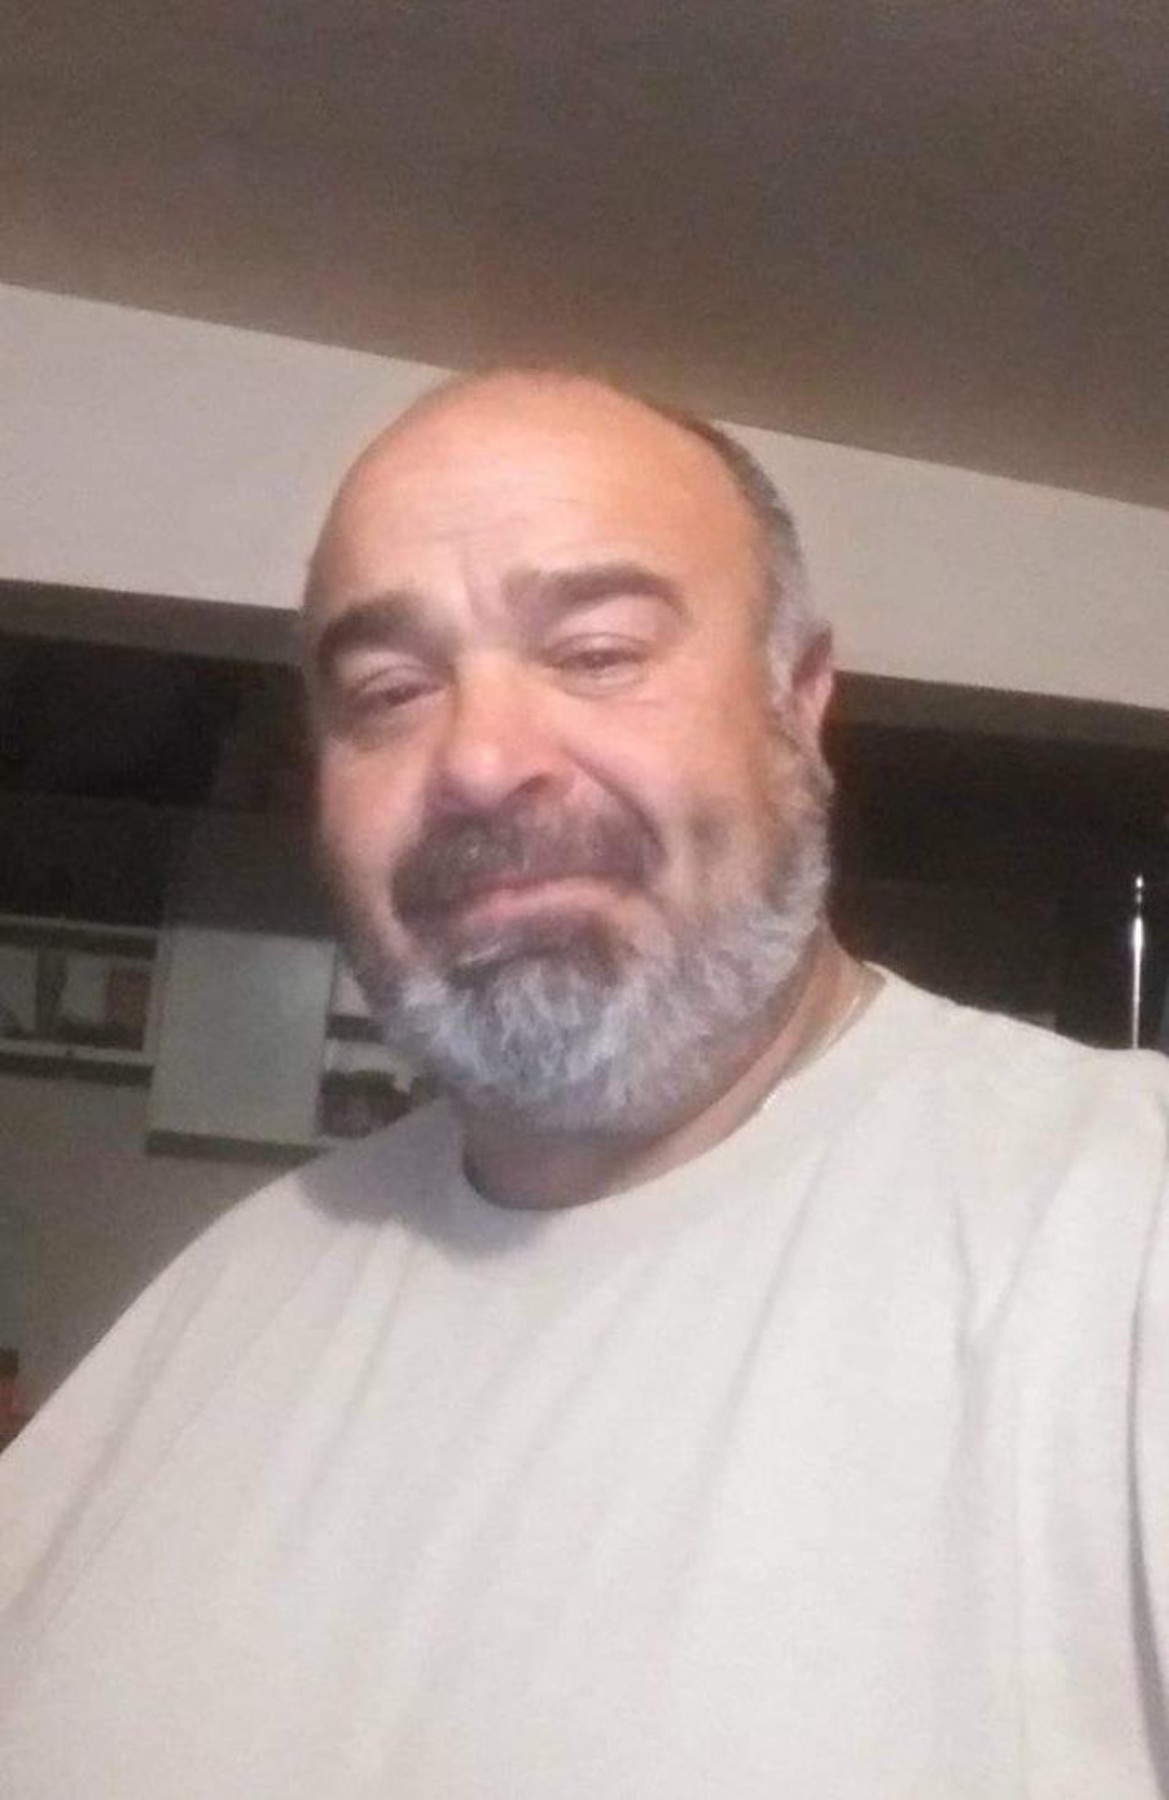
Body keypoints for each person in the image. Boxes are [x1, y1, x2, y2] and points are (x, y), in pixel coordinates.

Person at [1, 370, 1166, 1798]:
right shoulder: (226, 1296)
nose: (481, 762)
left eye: (598, 651)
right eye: (389, 691)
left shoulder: (1120, 1227)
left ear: (795, 708)